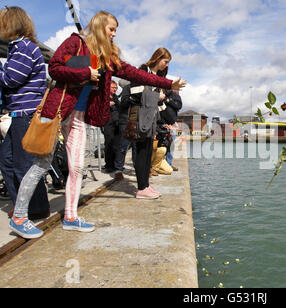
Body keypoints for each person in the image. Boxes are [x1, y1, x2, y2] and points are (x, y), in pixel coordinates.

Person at [9, 11, 186, 239]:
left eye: (115, 30)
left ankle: (71, 217)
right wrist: (85, 73)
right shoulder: (75, 42)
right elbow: (54, 68)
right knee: (41, 163)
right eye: (111, 29)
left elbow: (137, 74)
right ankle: (20, 217)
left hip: (79, 117)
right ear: (100, 26)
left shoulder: (109, 58)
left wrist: (169, 83)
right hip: (57, 112)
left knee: (78, 167)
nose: (114, 33)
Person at [0, 6, 51, 221]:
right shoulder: (19, 48)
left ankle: (36, 209)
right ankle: (24, 205)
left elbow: (11, 79)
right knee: (7, 161)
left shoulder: (24, 47)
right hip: (18, 113)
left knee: (23, 165)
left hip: (25, 113)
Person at [121, 47, 177, 199]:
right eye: (165, 62)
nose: (166, 65)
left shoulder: (155, 76)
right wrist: (156, 96)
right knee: (141, 152)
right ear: (158, 59)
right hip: (140, 117)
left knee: (147, 153)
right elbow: (134, 92)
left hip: (149, 118)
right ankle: (141, 188)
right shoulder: (143, 70)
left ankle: (145, 184)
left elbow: (157, 102)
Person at [102, 80, 127, 179]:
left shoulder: (116, 97)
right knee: (108, 143)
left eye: (116, 88)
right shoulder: (104, 97)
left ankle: (116, 165)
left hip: (117, 122)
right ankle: (109, 165)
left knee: (117, 144)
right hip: (108, 123)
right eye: (113, 87)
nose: (115, 89)